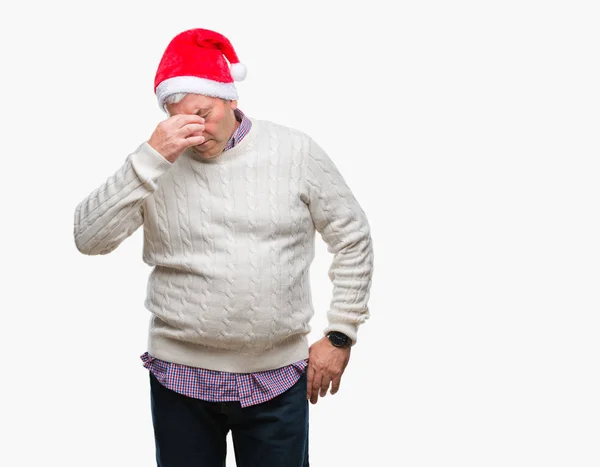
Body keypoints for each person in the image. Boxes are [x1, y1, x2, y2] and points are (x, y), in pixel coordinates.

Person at [73, 27, 374, 467]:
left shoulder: (295, 151)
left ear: (231, 99)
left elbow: (352, 237)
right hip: (180, 381)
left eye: (203, 112)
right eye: (179, 119)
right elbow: (88, 239)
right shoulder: (154, 164)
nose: (193, 130)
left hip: (277, 379)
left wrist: (341, 333)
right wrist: (149, 158)